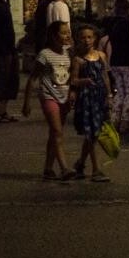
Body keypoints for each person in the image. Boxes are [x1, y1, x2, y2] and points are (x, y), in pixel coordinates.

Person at [22, 21, 76, 181]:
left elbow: (73, 74)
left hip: (64, 97)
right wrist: (27, 103)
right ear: (53, 36)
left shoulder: (69, 53)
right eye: (63, 33)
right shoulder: (44, 54)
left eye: (68, 32)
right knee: (58, 131)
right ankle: (64, 168)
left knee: (55, 134)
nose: (67, 36)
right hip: (48, 96)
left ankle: (48, 168)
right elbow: (32, 78)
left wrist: (72, 92)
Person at [69, 24, 112, 182]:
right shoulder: (78, 60)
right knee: (91, 133)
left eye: (89, 37)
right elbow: (73, 80)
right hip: (87, 99)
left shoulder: (101, 55)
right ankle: (96, 169)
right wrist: (83, 81)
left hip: (99, 97)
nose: (86, 40)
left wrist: (109, 95)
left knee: (94, 134)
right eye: (83, 37)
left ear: (95, 38)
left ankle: (80, 163)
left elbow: (106, 77)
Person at [100, 0, 129, 134]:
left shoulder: (110, 22)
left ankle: (114, 120)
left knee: (120, 92)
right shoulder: (128, 22)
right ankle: (125, 122)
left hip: (115, 60)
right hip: (128, 60)